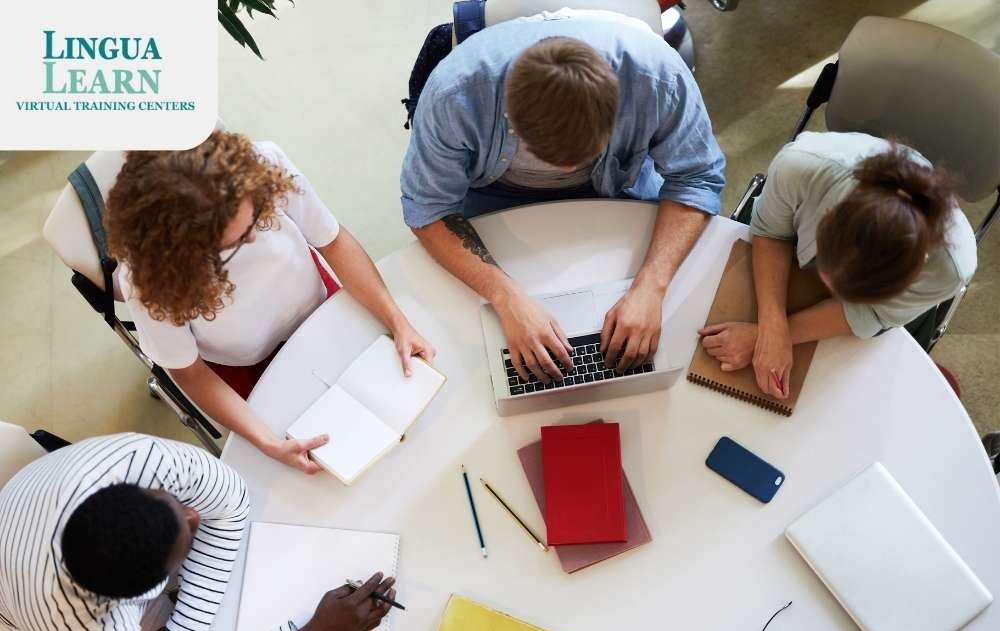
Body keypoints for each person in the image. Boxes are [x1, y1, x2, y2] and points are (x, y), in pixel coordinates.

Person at [400, 9, 725, 383]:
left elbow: (697, 176)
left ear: (617, 111)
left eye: (583, 154)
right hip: (494, 191)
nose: (569, 170)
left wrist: (652, 287)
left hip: (618, 185)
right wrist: (507, 299)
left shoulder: (658, 79)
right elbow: (428, 210)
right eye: (546, 155)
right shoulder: (452, 97)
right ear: (510, 113)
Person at [107, 131, 435, 474]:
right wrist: (270, 443)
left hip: (317, 303)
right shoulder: (148, 280)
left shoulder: (264, 162)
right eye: (232, 243)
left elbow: (333, 241)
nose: (253, 236)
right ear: (185, 250)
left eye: (256, 214)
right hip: (245, 364)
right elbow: (190, 373)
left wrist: (397, 320)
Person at [0, 433, 396, 631]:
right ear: (146, 592)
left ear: (128, 489)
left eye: (168, 500)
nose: (192, 516)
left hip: (26, 516)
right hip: (24, 610)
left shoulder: (134, 460)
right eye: (184, 542)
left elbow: (230, 502)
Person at [698, 131, 977, 398]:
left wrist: (771, 336)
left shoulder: (950, 268)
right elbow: (771, 232)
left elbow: (870, 314)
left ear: (917, 270)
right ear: (827, 218)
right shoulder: (800, 166)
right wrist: (771, 328)